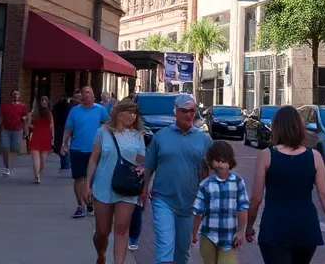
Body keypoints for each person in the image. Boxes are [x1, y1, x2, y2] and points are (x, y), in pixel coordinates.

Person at [246, 105, 325, 264]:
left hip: (274, 227)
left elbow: (256, 198)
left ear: (276, 127)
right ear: (300, 127)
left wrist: (249, 226)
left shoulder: (266, 156)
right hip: (305, 227)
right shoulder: (315, 157)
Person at [142, 92, 211, 264]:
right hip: (163, 199)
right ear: (175, 111)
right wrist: (143, 191)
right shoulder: (161, 136)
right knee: (165, 247)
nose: (188, 114)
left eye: (192, 111)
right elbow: (149, 166)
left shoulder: (204, 140)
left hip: (190, 204)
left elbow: (212, 171)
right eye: (184, 111)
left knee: (182, 251)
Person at [86, 99, 145, 264]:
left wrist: (144, 165)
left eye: (135, 113)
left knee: (121, 228)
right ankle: (101, 255)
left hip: (127, 186)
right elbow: (93, 159)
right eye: (130, 112)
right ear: (120, 113)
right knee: (102, 232)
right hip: (103, 185)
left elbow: (142, 159)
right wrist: (87, 184)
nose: (133, 117)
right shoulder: (102, 131)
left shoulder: (137, 135)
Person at [191, 141, 248, 264]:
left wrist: (240, 231)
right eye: (217, 160)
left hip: (229, 238)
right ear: (211, 162)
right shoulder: (206, 185)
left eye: (224, 160)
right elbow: (198, 212)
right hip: (208, 236)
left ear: (230, 161)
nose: (220, 164)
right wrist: (194, 233)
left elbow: (242, 208)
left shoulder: (238, 183)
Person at [62, 86, 109, 218]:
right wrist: (63, 143)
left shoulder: (100, 110)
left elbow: (108, 125)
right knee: (78, 178)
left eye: (88, 93)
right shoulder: (75, 111)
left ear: (93, 96)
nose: (85, 95)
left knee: (92, 178)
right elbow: (68, 128)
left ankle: (90, 201)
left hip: (94, 150)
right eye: (83, 93)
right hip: (77, 148)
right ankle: (80, 206)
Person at [0, 89, 28, 177]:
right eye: (14, 94)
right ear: (11, 96)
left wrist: (26, 130)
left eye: (17, 94)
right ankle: (6, 167)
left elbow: (25, 117)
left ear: (19, 96)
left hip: (17, 130)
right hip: (6, 129)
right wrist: (0, 125)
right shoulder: (5, 106)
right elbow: (1, 116)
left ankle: (10, 166)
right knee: (5, 147)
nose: (15, 96)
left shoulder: (22, 107)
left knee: (14, 148)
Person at [27, 95, 54, 184]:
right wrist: (52, 137)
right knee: (41, 160)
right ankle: (37, 174)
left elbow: (29, 124)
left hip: (38, 135)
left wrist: (34, 127)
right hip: (44, 136)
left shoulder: (35, 113)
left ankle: (37, 175)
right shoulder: (48, 113)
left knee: (38, 159)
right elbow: (51, 125)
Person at [53, 92, 77, 171]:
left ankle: (64, 163)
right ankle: (66, 163)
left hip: (59, 127)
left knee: (63, 145)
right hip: (67, 127)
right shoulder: (69, 107)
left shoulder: (57, 106)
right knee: (66, 146)